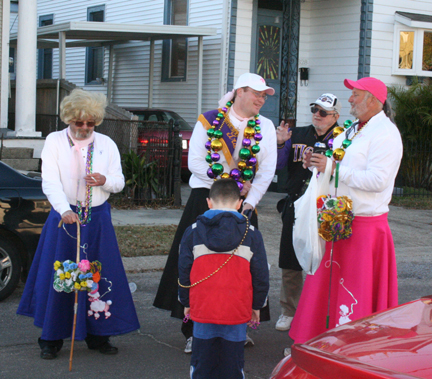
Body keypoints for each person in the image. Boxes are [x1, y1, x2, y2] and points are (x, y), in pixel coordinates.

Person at [153, 72, 277, 353]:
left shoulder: (265, 126)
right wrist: (228, 184)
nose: (261, 99)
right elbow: (196, 161)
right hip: (206, 199)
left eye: (264, 95)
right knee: (198, 265)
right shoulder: (209, 120)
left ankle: (237, 325)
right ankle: (194, 330)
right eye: (256, 93)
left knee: (241, 268)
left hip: (243, 205)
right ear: (239, 92)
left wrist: (250, 200)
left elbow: (267, 170)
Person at [17, 89, 140, 359]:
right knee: (63, 276)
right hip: (65, 216)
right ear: (69, 119)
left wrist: (104, 180)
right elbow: (49, 181)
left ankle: (98, 335)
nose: (84, 128)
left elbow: (119, 182)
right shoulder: (54, 141)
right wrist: (63, 210)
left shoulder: (107, 144)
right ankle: (51, 338)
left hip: (97, 218)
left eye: (90, 123)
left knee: (99, 274)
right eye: (79, 122)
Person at [288, 77, 403, 351]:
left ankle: (354, 348)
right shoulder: (352, 129)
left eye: (355, 94)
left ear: (374, 100)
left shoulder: (386, 134)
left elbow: (378, 180)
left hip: (365, 227)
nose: (349, 99)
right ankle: (321, 342)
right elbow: (332, 160)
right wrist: (316, 163)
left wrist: (332, 167)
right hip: (339, 220)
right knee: (327, 286)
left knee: (355, 288)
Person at [178, 179, 269, 378]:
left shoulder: (193, 231)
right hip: (236, 309)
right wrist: (257, 305)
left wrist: (186, 301)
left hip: (203, 306)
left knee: (202, 363)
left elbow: (183, 270)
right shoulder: (252, 234)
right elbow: (261, 275)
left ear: (209, 202)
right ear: (239, 204)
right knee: (233, 364)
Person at [274, 94, 341, 332]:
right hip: (295, 203)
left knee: (322, 260)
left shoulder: (343, 138)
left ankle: (319, 310)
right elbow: (280, 165)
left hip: (327, 206)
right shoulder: (298, 134)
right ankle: (289, 310)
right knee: (290, 259)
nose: (317, 115)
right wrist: (281, 143)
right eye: (315, 109)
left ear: (335, 117)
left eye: (323, 112)